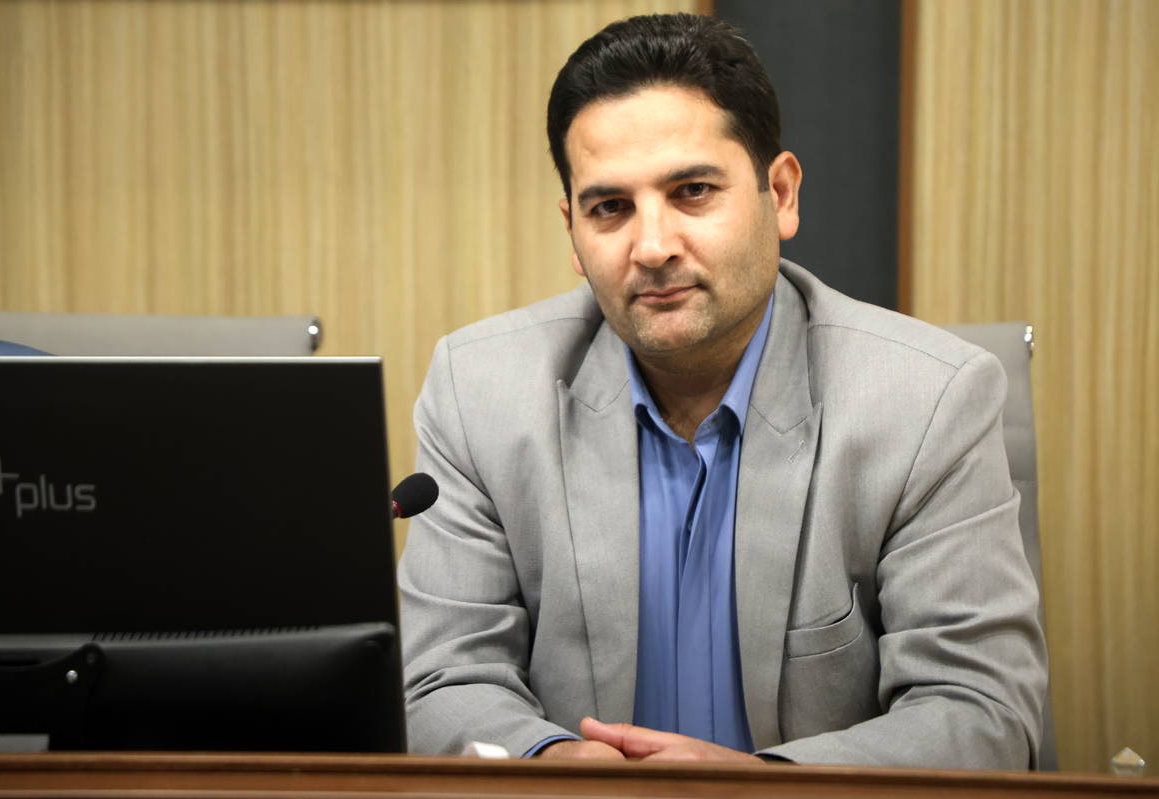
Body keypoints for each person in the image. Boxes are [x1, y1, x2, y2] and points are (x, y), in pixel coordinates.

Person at [398, 13, 1047, 768]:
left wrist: (760, 785)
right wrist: (553, 764)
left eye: (693, 191)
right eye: (610, 208)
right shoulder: (481, 391)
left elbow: (981, 712)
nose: (652, 247)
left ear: (781, 193)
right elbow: (440, 679)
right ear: (572, 229)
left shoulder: (926, 401)